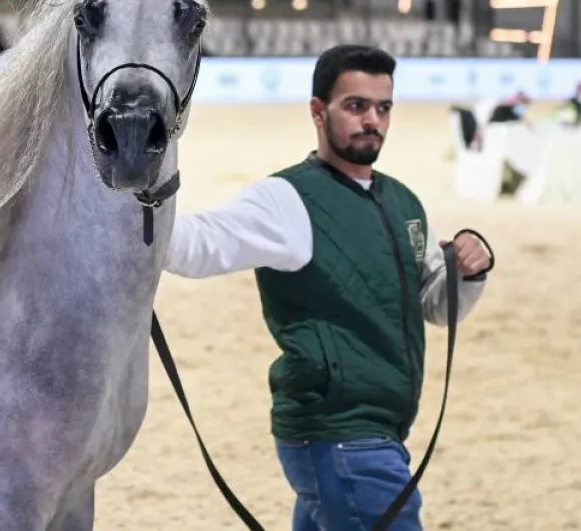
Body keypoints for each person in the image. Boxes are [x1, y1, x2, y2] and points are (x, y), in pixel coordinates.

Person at [165, 44, 495, 531]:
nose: (373, 121)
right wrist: (128, 212)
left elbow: (434, 305)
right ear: (318, 112)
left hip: (375, 434)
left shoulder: (403, 201)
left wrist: (470, 272)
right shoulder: (285, 199)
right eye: (356, 106)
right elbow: (194, 246)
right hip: (340, 440)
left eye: (383, 108)